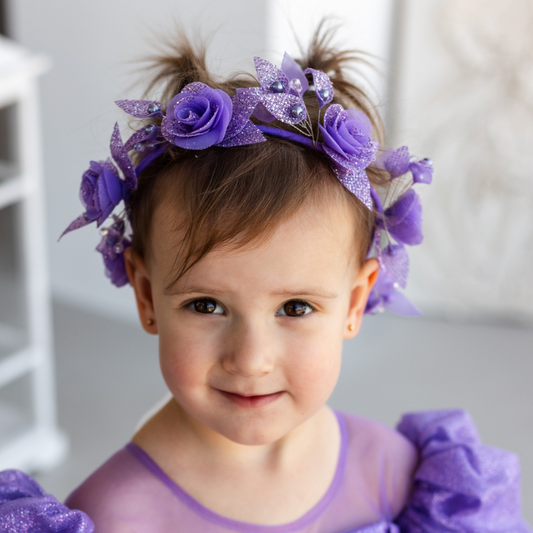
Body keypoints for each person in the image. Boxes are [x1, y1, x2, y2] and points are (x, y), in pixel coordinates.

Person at [1, 26, 530, 533]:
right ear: (145, 295)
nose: (251, 360)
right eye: (206, 305)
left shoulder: (402, 477)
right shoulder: (116, 516)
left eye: (295, 307)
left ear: (354, 302)